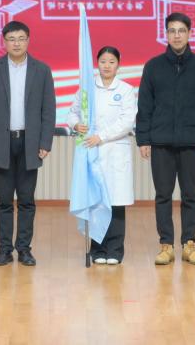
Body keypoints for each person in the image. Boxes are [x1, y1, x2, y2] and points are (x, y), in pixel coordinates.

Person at [136, 12, 195, 266]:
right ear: (166, 34)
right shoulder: (153, 66)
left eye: (181, 31)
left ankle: (189, 244)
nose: (177, 35)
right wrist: (143, 139)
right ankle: (166, 245)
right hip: (161, 142)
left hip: (192, 142)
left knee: (189, 194)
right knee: (163, 194)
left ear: (189, 33)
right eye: (172, 31)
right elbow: (144, 106)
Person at [0, 20, 56, 267]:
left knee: (27, 200)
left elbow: (48, 110)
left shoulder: (42, 70)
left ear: (28, 40)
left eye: (21, 38)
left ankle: (24, 249)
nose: (17, 43)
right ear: (4, 42)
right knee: (3, 200)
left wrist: (45, 141)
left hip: (30, 143)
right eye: (11, 39)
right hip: (1, 142)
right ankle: (4, 250)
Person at [66, 45, 137, 265]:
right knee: (95, 201)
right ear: (97, 63)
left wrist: (102, 137)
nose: (107, 66)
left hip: (115, 151)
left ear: (118, 65)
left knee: (116, 202)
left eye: (111, 62)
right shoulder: (87, 89)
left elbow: (127, 121)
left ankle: (115, 250)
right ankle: (97, 249)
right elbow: (72, 113)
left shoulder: (126, 90)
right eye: (103, 61)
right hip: (91, 151)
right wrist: (75, 124)